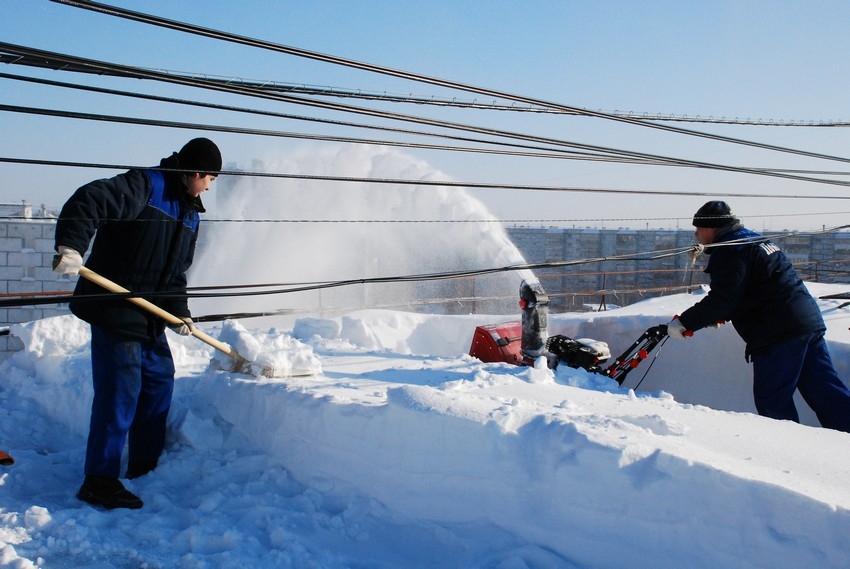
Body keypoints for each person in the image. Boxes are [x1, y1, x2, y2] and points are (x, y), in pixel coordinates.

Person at [52, 137, 222, 509]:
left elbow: (175, 272)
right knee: (120, 393)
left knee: (159, 382)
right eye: (210, 178)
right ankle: (99, 479)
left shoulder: (190, 214)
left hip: (149, 318)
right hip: (114, 310)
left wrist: (180, 312)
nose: (210, 186)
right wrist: (71, 246)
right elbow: (90, 199)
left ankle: (147, 464)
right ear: (195, 172)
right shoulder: (146, 187)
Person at [667, 200, 850, 432]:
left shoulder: (730, 250)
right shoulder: (755, 239)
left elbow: (723, 298)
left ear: (712, 228)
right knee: (825, 391)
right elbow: (755, 287)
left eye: (698, 229)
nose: (696, 234)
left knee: (773, 402)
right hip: (806, 322)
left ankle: (786, 453)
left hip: (777, 333)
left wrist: (685, 322)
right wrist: (723, 313)